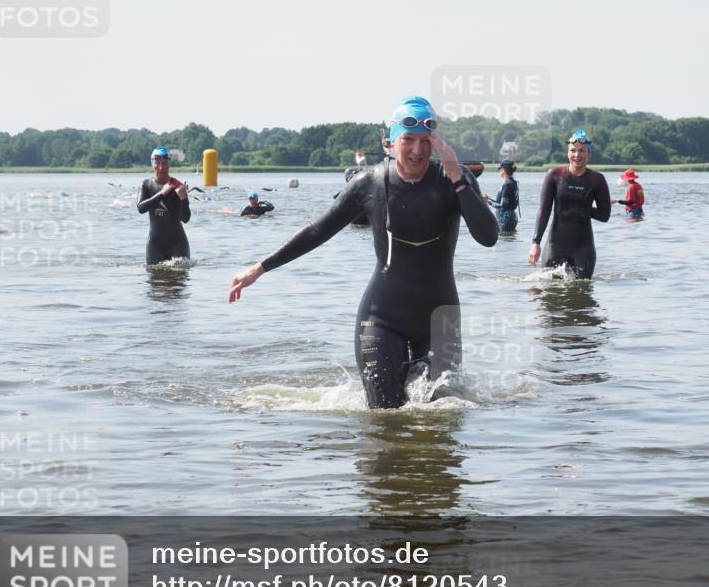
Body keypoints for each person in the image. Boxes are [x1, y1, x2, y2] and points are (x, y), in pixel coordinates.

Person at [228, 96, 498, 409]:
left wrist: (458, 180)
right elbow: (317, 230)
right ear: (391, 142)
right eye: (408, 140)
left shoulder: (454, 178)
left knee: (445, 409)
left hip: (441, 320)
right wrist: (260, 268)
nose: (417, 150)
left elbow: (488, 237)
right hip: (382, 318)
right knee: (384, 414)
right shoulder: (369, 183)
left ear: (435, 143)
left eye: (425, 141)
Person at [527, 129, 611, 278]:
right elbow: (544, 211)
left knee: (583, 289)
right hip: (555, 247)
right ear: (567, 153)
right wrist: (535, 242)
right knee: (550, 289)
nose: (577, 155)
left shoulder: (597, 180)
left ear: (589, 154)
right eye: (573, 150)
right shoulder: (554, 175)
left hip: (583, 249)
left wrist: (583, 207)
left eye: (582, 151)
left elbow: (604, 216)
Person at [136, 146, 191, 264]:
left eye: (165, 163)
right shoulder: (146, 184)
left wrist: (184, 199)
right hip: (155, 246)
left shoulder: (177, 185)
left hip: (178, 244)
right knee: (154, 274)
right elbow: (141, 208)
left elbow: (185, 219)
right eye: (157, 163)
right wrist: (161, 193)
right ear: (152, 164)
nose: (161, 167)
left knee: (180, 273)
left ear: (169, 164)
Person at [484, 159, 520, 232]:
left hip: (506, 218)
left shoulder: (507, 185)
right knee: (509, 237)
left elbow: (503, 206)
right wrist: (489, 199)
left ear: (503, 170)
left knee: (503, 237)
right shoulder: (513, 182)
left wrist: (488, 201)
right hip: (511, 217)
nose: (499, 171)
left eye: (500, 169)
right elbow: (504, 203)